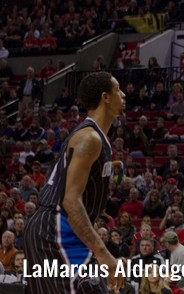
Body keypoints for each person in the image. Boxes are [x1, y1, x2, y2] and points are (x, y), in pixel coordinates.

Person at [23, 72, 125, 293]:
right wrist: (103, 253)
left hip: (50, 226)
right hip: (57, 228)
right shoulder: (90, 138)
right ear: (105, 97)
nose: (123, 94)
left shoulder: (93, 137)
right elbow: (70, 200)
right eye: (118, 89)